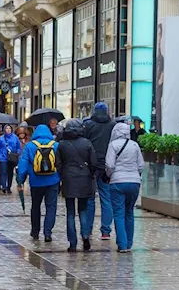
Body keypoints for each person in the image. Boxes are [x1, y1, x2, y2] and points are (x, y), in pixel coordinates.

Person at [57, 119, 97, 252]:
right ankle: (85, 236)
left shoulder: (62, 144)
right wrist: (90, 173)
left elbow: (58, 164)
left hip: (69, 179)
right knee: (83, 210)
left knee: (70, 212)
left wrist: (63, 175)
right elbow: (93, 162)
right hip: (84, 179)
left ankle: (72, 243)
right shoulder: (86, 143)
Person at [105, 121, 145, 253]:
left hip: (117, 182)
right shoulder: (135, 145)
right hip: (134, 182)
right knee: (129, 212)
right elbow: (141, 165)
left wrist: (110, 175)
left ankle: (122, 245)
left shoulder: (113, 145)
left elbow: (110, 165)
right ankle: (129, 243)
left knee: (118, 213)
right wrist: (134, 175)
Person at [17, 123, 61, 242]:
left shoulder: (29, 146)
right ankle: (47, 233)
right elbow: (61, 164)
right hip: (53, 181)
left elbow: (23, 165)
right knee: (51, 207)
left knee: (35, 206)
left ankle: (35, 232)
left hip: (36, 181)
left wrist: (20, 180)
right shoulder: (56, 145)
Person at [83, 102, 116, 241]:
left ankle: (88, 229)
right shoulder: (112, 125)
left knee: (90, 198)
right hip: (106, 165)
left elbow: (84, 143)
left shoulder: (89, 125)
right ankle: (106, 231)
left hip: (91, 165)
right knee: (106, 198)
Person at [0, 124, 22, 194]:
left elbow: (19, 147)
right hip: (3, 158)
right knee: (3, 172)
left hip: (12, 158)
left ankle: (8, 187)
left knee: (10, 173)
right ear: (4, 130)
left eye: (9, 128)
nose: (8, 130)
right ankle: (4, 186)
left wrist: (17, 153)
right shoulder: (1, 138)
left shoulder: (15, 137)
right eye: (7, 128)